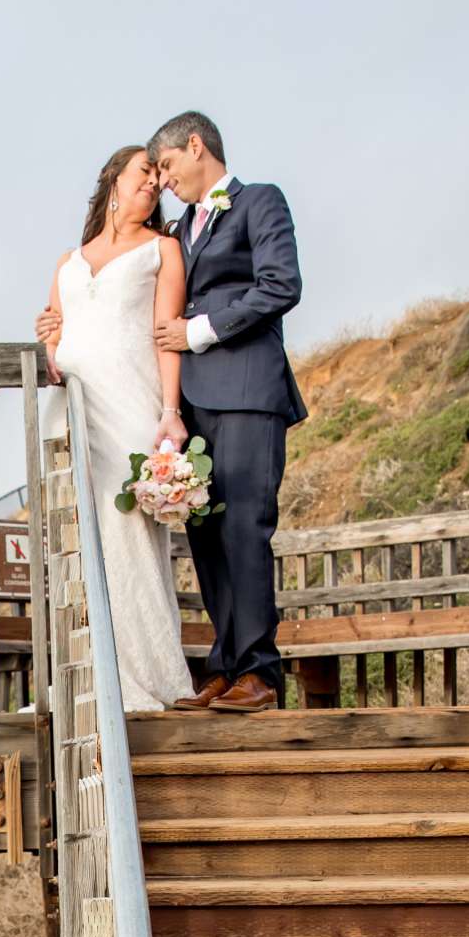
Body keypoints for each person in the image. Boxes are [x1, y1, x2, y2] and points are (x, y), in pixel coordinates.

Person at [147, 110, 307, 711]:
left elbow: (280, 286)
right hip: (193, 402)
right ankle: (224, 665)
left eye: (167, 165)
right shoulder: (179, 228)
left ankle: (260, 672)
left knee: (245, 526)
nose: (164, 180)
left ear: (196, 146)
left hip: (246, 388)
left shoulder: (260, 201)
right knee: (206, 533)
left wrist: (201, 331)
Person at [34, 146, 195, 714]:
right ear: (113, 186)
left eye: (157, 178)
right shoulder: (67, 262)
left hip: (129, 403)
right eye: (143, 175)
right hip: (74, 411)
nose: (152, 185)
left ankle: (148, 679)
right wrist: (46, 340)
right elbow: (54, 341)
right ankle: (84, 677)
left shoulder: (162, 250)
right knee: (78, 537)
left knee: (127, 531)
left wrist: (170, 411)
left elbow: (165, 333)